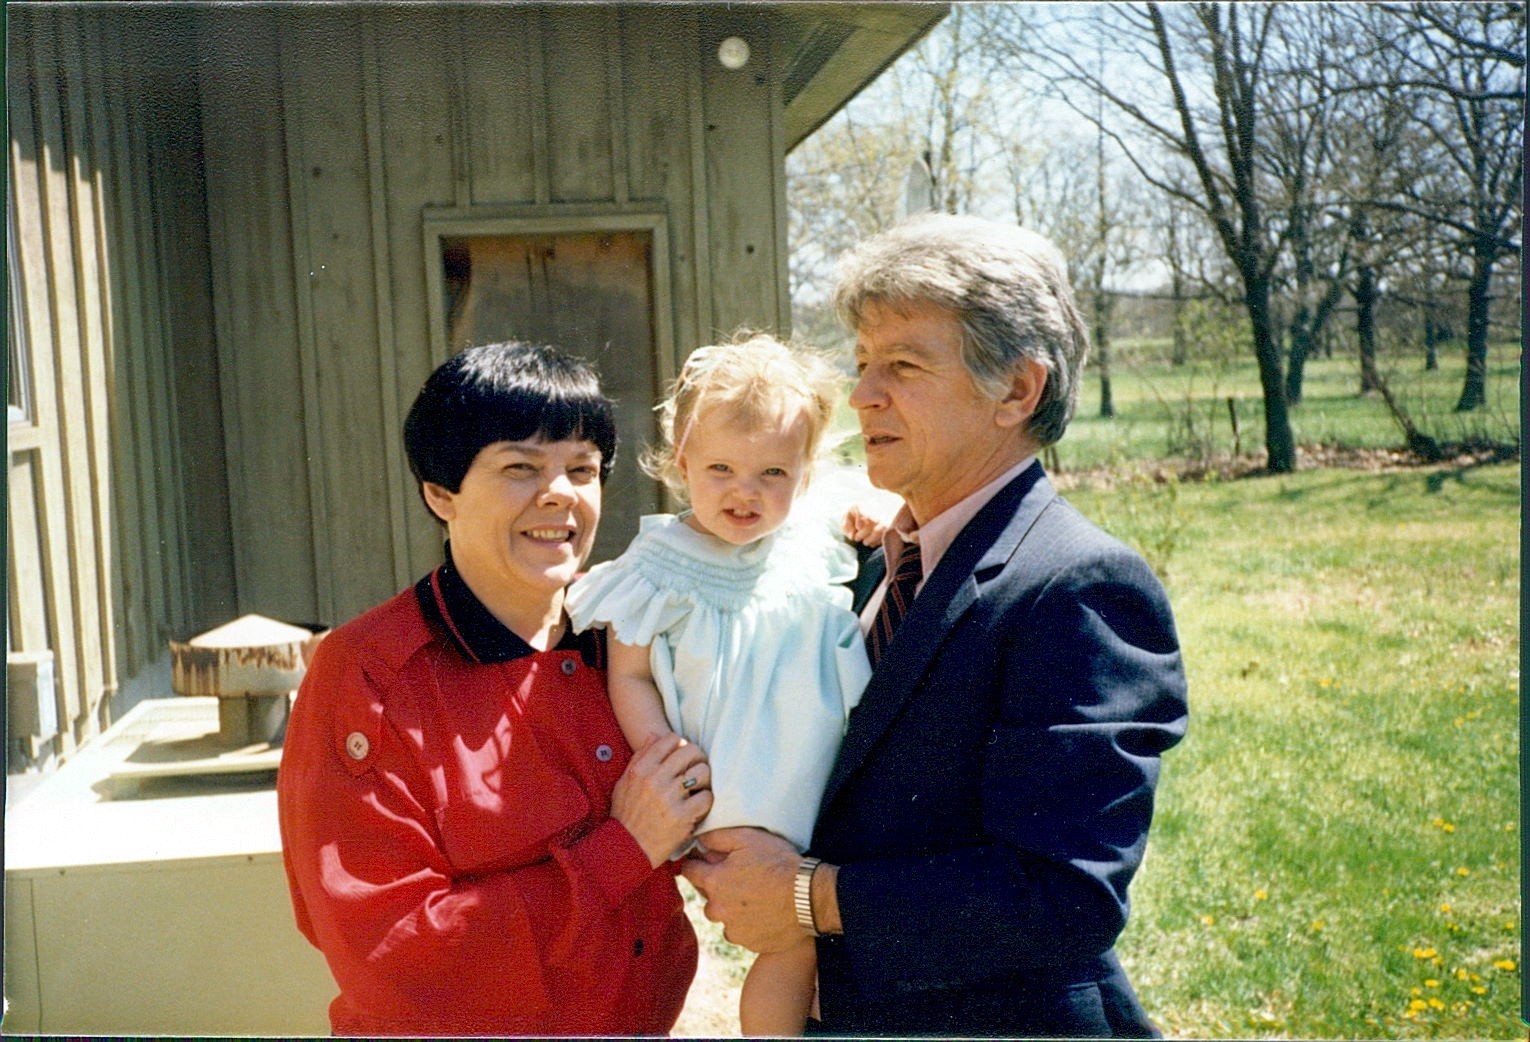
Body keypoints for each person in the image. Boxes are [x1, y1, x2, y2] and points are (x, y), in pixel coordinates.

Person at [683, 214, 1190, 1037]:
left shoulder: (1077, 586)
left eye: (904, 365)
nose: (862, 395)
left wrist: (809, 898)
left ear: (1016, 390)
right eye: (862, 363)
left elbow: (1067, 894)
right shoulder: (874, 558)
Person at [276, 341, 713, 1036]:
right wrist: (623, 849)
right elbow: (390, 956)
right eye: (520, 467)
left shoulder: (630, 633)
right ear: (440, 494)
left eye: (582, 469)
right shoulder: (367, 674)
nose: (560, 492)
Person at [565, 333, 873, 1036]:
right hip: (726, 780)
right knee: (789, 939)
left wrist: (873, 516)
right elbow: (631, 673)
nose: (746, 491)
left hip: (816, 778)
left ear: (805, 474)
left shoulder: (808, 541)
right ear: (683, 465)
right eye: (722, 469)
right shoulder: (661, 562)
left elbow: (865, 505)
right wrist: (665, 756)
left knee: (814, 937)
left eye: (773, 473)